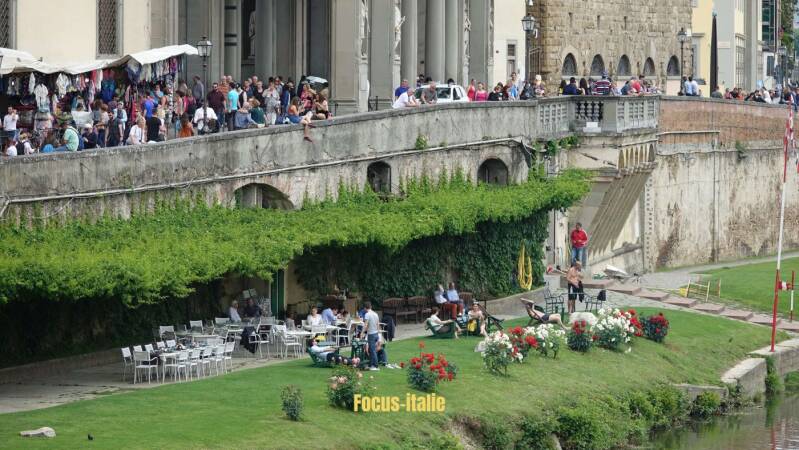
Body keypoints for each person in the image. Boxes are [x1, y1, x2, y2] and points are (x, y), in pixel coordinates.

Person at [360, 301, 382, 371]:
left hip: (371, 334)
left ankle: (375, 366)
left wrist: (362, 333)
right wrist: (379, 334)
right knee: (371, 350)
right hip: (376, 334)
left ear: (365, 308)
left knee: (372, 350)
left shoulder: (367, 314)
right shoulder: (375, 314)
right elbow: (378, 324)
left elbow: (365, 324)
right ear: (371, 307)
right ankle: (371, 365)